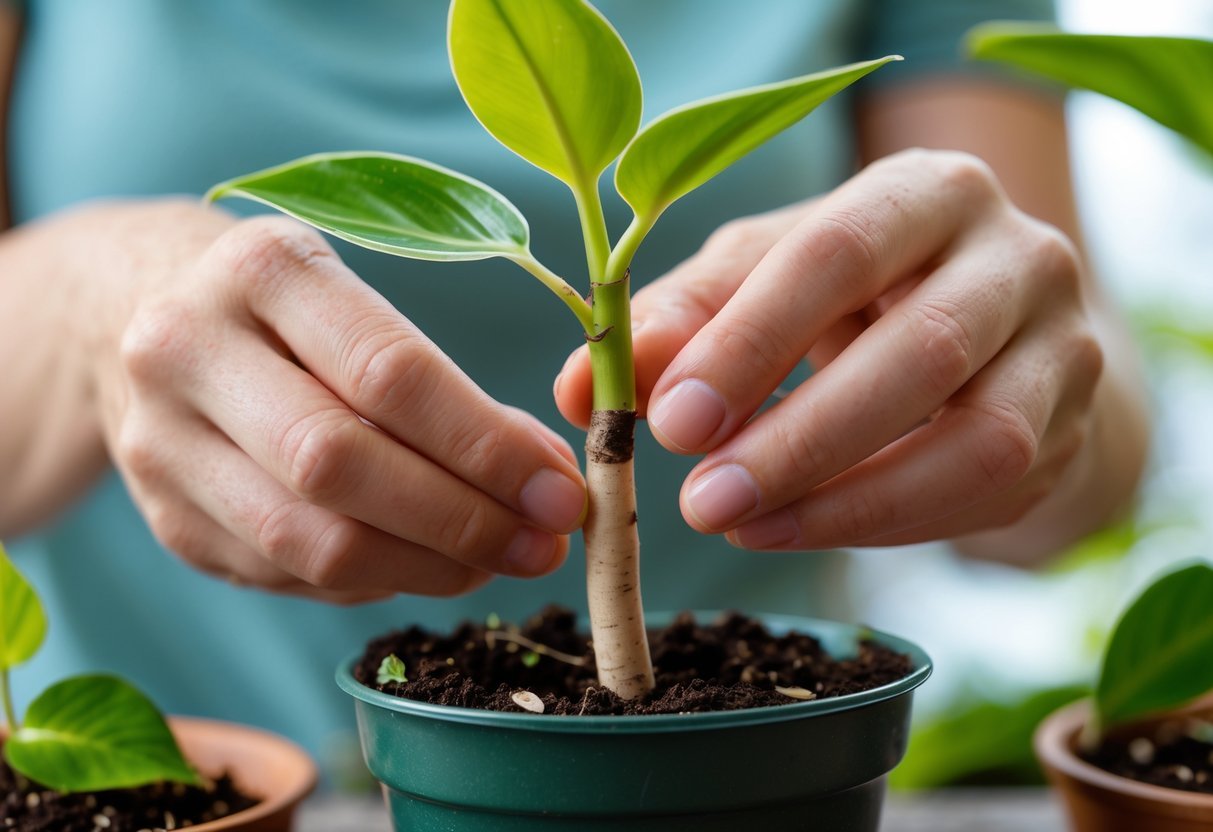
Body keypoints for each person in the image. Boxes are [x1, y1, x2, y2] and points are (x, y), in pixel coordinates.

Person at [0, 0, 1147, 776]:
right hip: (185, 782)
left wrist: (1023, 389)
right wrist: (85, 305)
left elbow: (1083, 435)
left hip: (729, 773)